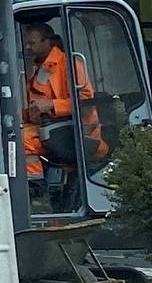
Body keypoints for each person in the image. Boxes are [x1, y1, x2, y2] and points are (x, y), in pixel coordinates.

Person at [19, 22, 105, 183]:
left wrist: (53, 105)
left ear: (47, 42)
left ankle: (35, 190)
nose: (28, 48)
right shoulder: (42, 67)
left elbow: (86, 103)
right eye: (26, 44)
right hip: (50, 126)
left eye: (32, 43)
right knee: (10, 135)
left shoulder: (70, 65)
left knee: (22, 140)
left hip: (77, 130)